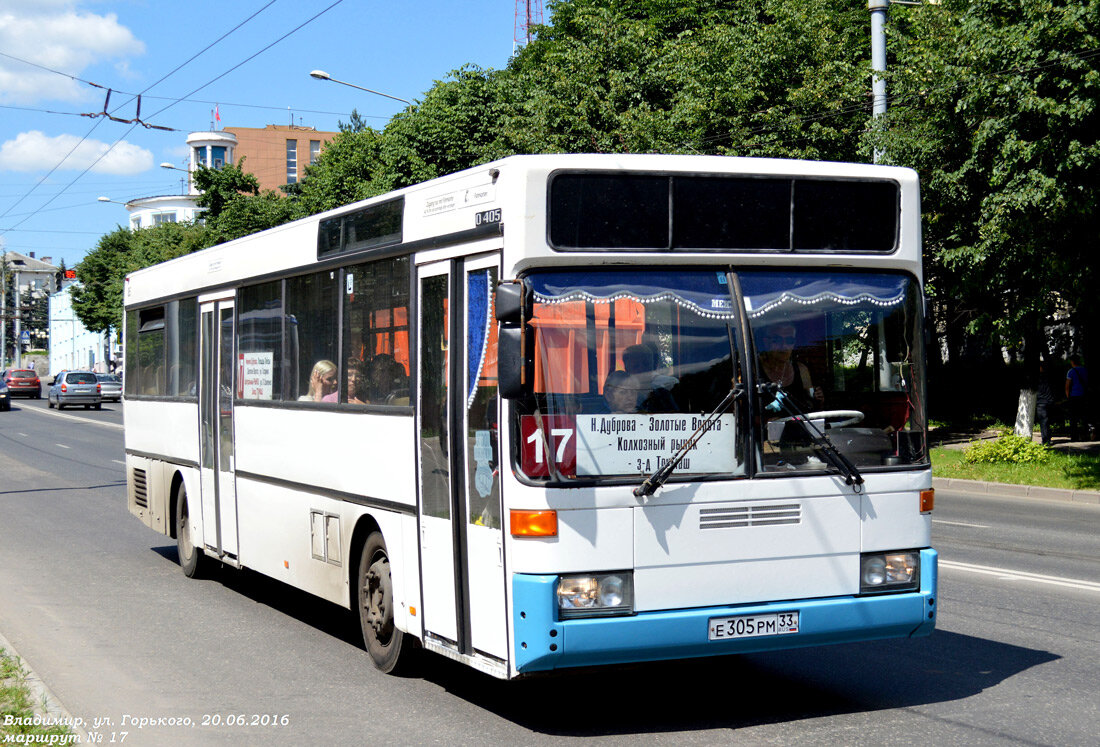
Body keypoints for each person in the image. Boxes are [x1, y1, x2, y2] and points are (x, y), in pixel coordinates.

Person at [757, 322, 823, 414]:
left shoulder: (801, 370)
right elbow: (741, 411)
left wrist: (817, 399)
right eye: (777, 340)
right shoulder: (752, 370)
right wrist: (766, 422)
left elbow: (810, 406)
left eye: (789, 341)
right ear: (766, 342)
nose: (784, 346)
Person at [1065, 355, 1090, 441]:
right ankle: (1085, 435)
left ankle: (1074, 437)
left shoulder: (1071, 372)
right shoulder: (1085, 370)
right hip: (1084, 396)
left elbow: (1067, 386)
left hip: (1074, 397)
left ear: (1072, 362)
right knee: (1084, 417)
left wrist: (1068, 397)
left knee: (1073, 418)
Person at [1036, 362, 1054, 446]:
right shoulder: (1049, 376)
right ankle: (1048, 438)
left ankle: (1045, 440)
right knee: (1047, 421)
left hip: (1040, 402)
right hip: (1049, 401)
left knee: (1043, 422)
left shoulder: (1037, 378)